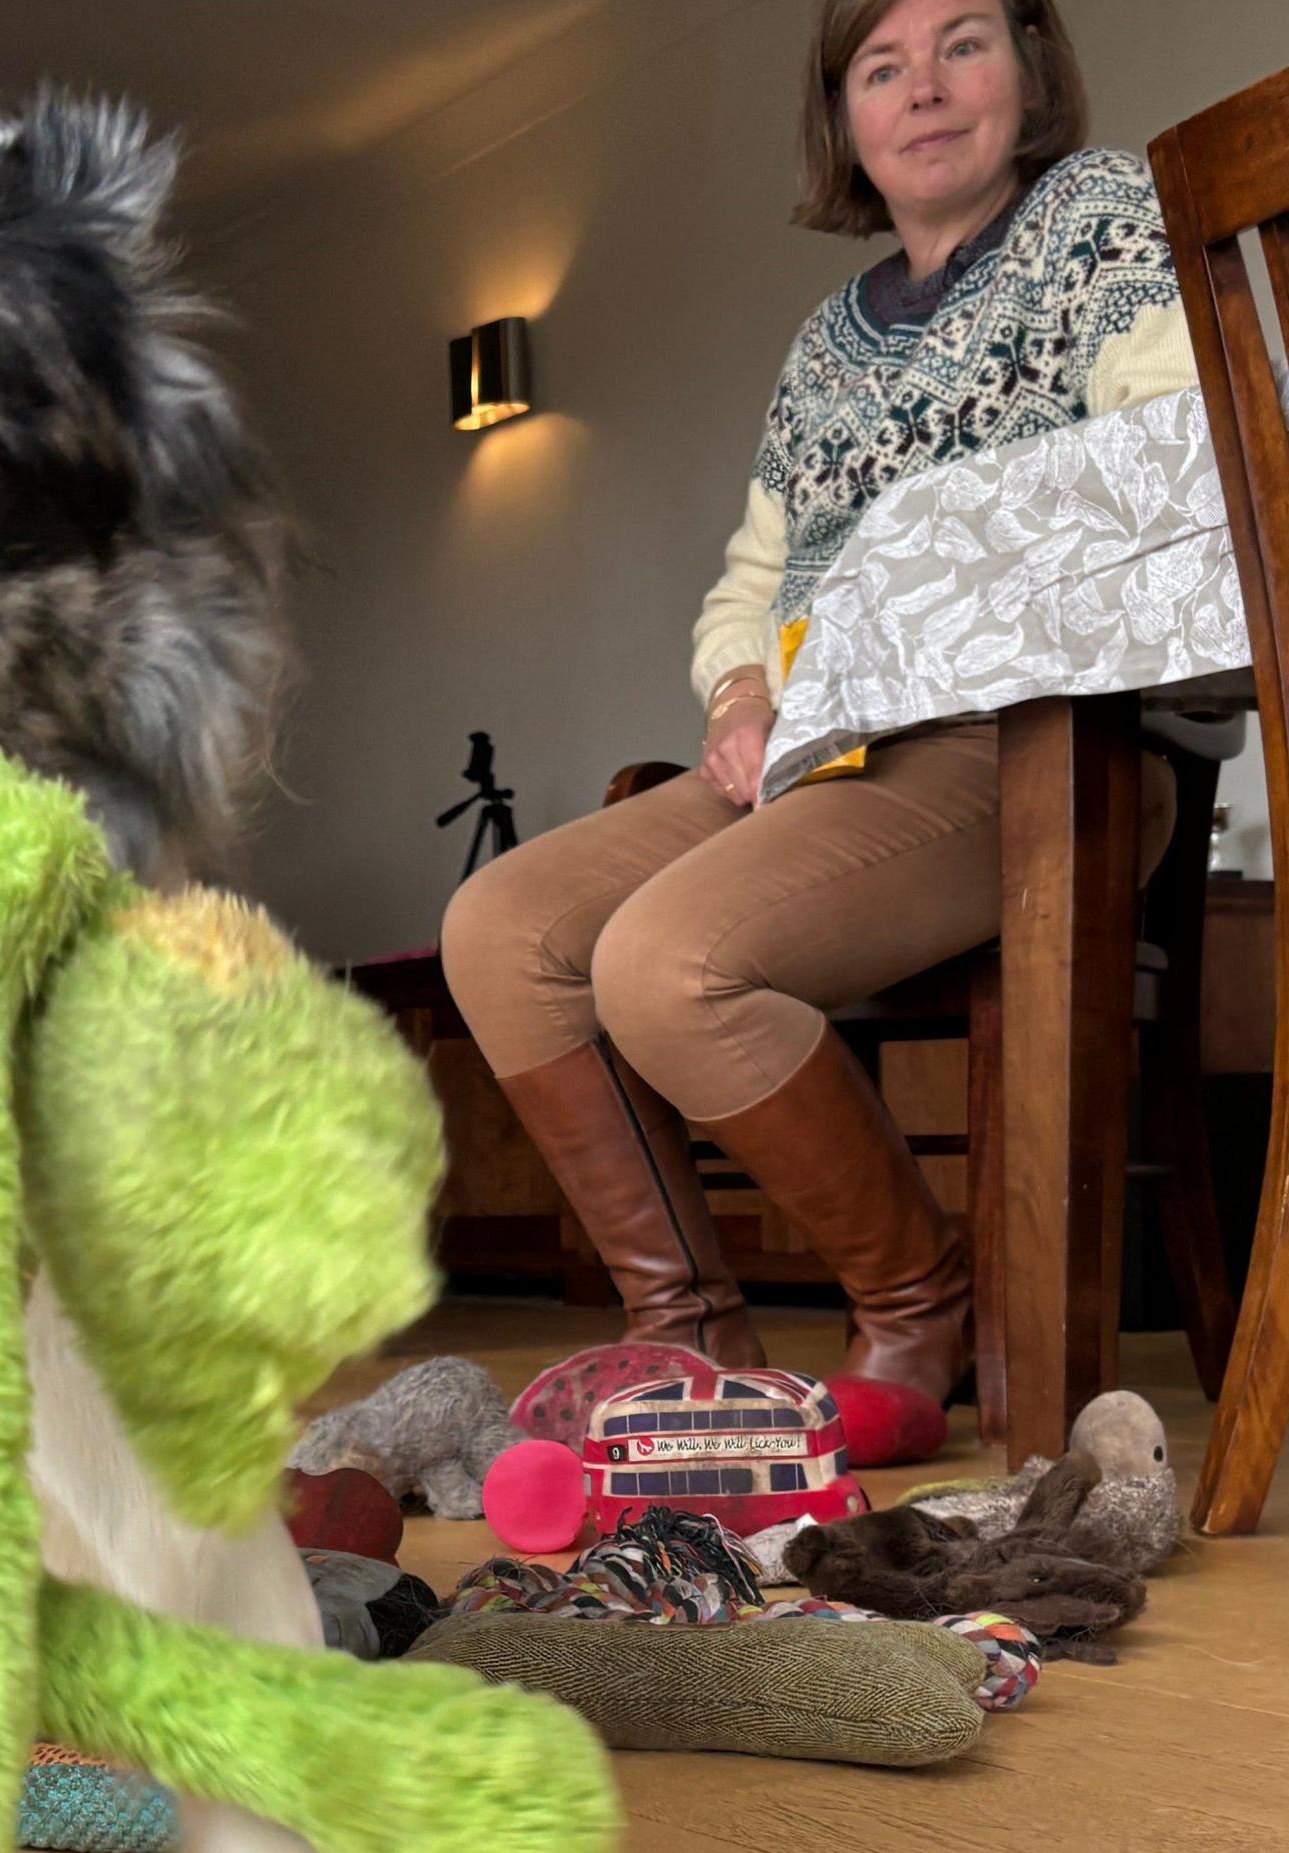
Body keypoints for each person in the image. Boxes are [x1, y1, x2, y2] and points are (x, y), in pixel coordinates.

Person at [439, 0, 1190, 1460]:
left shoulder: (1100, 218)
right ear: (843, 113)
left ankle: (919, 1300)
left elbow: (1162, 469)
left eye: (964, 42)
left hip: (1037, 746)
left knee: (669, 965)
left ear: (1031, 69)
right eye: (880, 65)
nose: (925, 88)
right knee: (499, 928)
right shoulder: (825, 347)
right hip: (826, 751)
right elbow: (752, 584)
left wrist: (913, 616)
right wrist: (739, 692)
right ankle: (690, 1341)